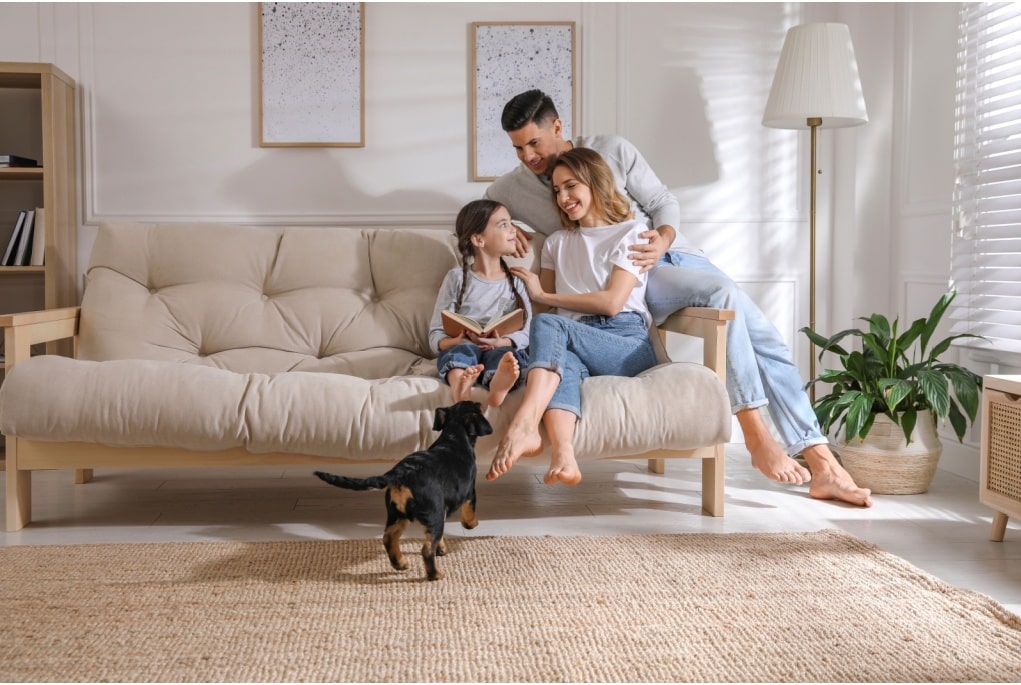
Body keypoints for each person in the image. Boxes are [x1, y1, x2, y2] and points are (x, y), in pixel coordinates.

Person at [484, 89, 873, 507]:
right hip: (620, 281)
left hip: (664, 258)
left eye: (533, 143)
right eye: (517, 148)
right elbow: (488, 209)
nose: (527, 156)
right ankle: (778, 446)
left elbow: (661, 202)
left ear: (557, 127)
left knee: (762, 336)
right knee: (723, 304)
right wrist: (506, 225)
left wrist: (661, 238)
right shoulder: (514, 188)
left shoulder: (612, 149)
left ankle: (811, 457)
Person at [487, 147, 659, 486]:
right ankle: (563, 455)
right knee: (558, 358)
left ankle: (524, 423)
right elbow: (544, 314)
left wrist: (542, 295)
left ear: (595, 182)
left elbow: (611, 303)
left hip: (625, 343)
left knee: (551, 327)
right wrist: (500, 330)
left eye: (571, 186)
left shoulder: (632, 233)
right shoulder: (555, 243)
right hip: (574, 338)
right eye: (556, 190)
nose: (563, 197)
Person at [429, 199, 531, 409]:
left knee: (506, 358)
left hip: (499, 346)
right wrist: (455, 340)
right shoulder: (456, 278)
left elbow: (528, 331)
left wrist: (503, 342)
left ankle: (498, 388)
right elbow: (435, 333)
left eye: (511, 223)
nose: (513, 230)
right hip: (464, 345)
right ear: (478, 239)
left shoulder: (517, 282)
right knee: (461, 352)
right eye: (503, 224)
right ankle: (461, 387)